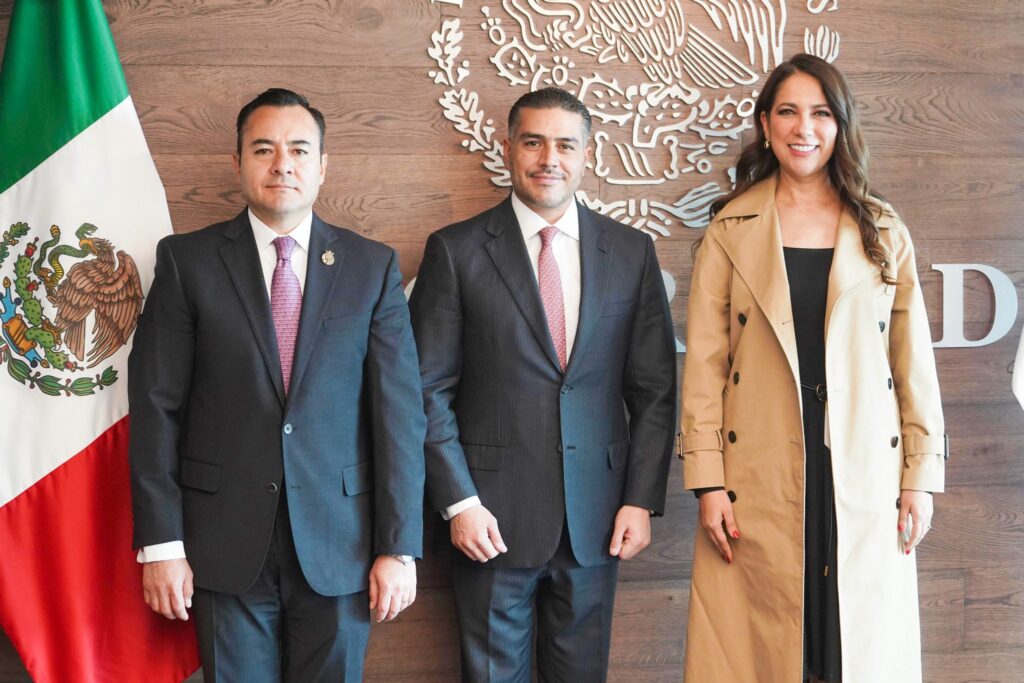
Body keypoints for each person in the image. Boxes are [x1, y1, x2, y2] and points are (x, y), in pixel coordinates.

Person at [128, 88, 426, 682]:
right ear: (238, 162)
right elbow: (156, 407)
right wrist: (161, 544)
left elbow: (400, 415)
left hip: (342, 543)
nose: (282, 164)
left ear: (323, 165)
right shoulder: (188, 262)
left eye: (299, 150)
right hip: (221, 542)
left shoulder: (371, 267)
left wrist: (399, 546)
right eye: (263, 149)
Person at [680, 54, 947, 682]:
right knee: (765, 649)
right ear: (766, 124)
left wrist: (920, 477)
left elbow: (912, 364)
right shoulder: (730, 229)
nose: (804, 128)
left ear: (840, 124)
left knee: (855, 645)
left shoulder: (882, 229)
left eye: (821, 113)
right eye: (788, 112)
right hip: (758, 470)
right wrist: (708, 483)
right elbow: (706, 369)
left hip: (863, 465)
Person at [409, 87, 676, 682]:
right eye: (533, 142)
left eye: (565, 145)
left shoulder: (631, 252)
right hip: (488, 524)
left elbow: (655, 391)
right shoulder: (455, 250)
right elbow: (426, 390)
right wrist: (460, 502)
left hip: (598, 521)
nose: (549, 158)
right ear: (508, 149)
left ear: (587, 155)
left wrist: (640, 498)